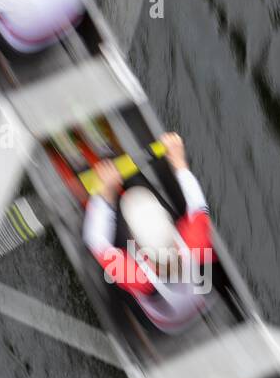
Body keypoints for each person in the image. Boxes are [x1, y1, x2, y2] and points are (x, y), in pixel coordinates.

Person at [82, 132, 214, 334]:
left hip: (161, 324)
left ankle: (88, 172)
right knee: (144, 195)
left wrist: (105, 195)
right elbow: (198, 206)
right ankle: (111, 159)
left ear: (139, 246)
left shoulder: (138, 277)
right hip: (192, 300)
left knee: (112, 230)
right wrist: (178, 161)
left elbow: (95, 241)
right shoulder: (194, 242)